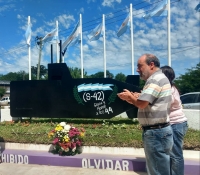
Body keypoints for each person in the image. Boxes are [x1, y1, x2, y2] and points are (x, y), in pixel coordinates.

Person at [117, 53, 173, 175]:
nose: (137, 70)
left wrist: (130, 97)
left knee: (157, 171)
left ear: (151, 65)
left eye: (140, 66)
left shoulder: (155, 79)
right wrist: (135, 96)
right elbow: (149, 101)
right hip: (159, 132)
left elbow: (142, 104)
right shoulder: (160, 78)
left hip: (156, 133)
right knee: (159, 169)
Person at [160, 65, 188, 175]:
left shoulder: (169, 90)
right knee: (172, 153)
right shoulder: (171, 88)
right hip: (175, 124)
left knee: (176, 155)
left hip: (176, 124)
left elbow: (162, 104)